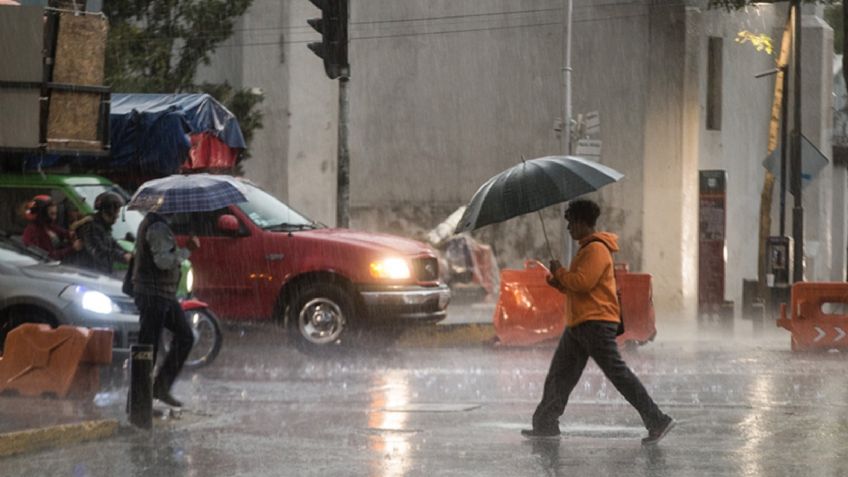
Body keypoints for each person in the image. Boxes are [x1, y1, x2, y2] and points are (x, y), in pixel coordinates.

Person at [522, 199, 674, 445]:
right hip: (580, 323)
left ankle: (656, 419)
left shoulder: (596, 249)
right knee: (559, 375)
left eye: (571, 223)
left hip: (595, 323)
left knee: (618, 374)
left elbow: (583, 283)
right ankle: (545, 424)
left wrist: (561, 273)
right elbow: (579, 288)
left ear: (582, 222)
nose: (569, 228)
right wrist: (559, 282)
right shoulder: (587, 248)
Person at [131, 210, 199, 408]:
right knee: (147, 350)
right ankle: (137, 405)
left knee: (185, 337)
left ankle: (160, 387)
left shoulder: (160, 226)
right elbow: (163, 262)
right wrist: (187, 250)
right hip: (153, 294)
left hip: (163, 294)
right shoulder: (158, 227)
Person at [69, 191, 133, 275]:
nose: (117, 216)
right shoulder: (91, 226)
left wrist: (127, 253)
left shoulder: (104, 226)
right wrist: (122, 256)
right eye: (116, 212)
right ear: (108, 211)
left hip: (103, 272)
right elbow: (97, 250)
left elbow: (112, 244)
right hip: (90, 274)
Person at [22, 194, 82, 260]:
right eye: (52, 214)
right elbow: (48, 256)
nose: (55, 217)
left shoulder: (48, 226)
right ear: (43, 214)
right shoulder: (33, 232)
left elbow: (63, 232)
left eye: (56, 214)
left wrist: (71, 234)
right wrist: (72, 248)